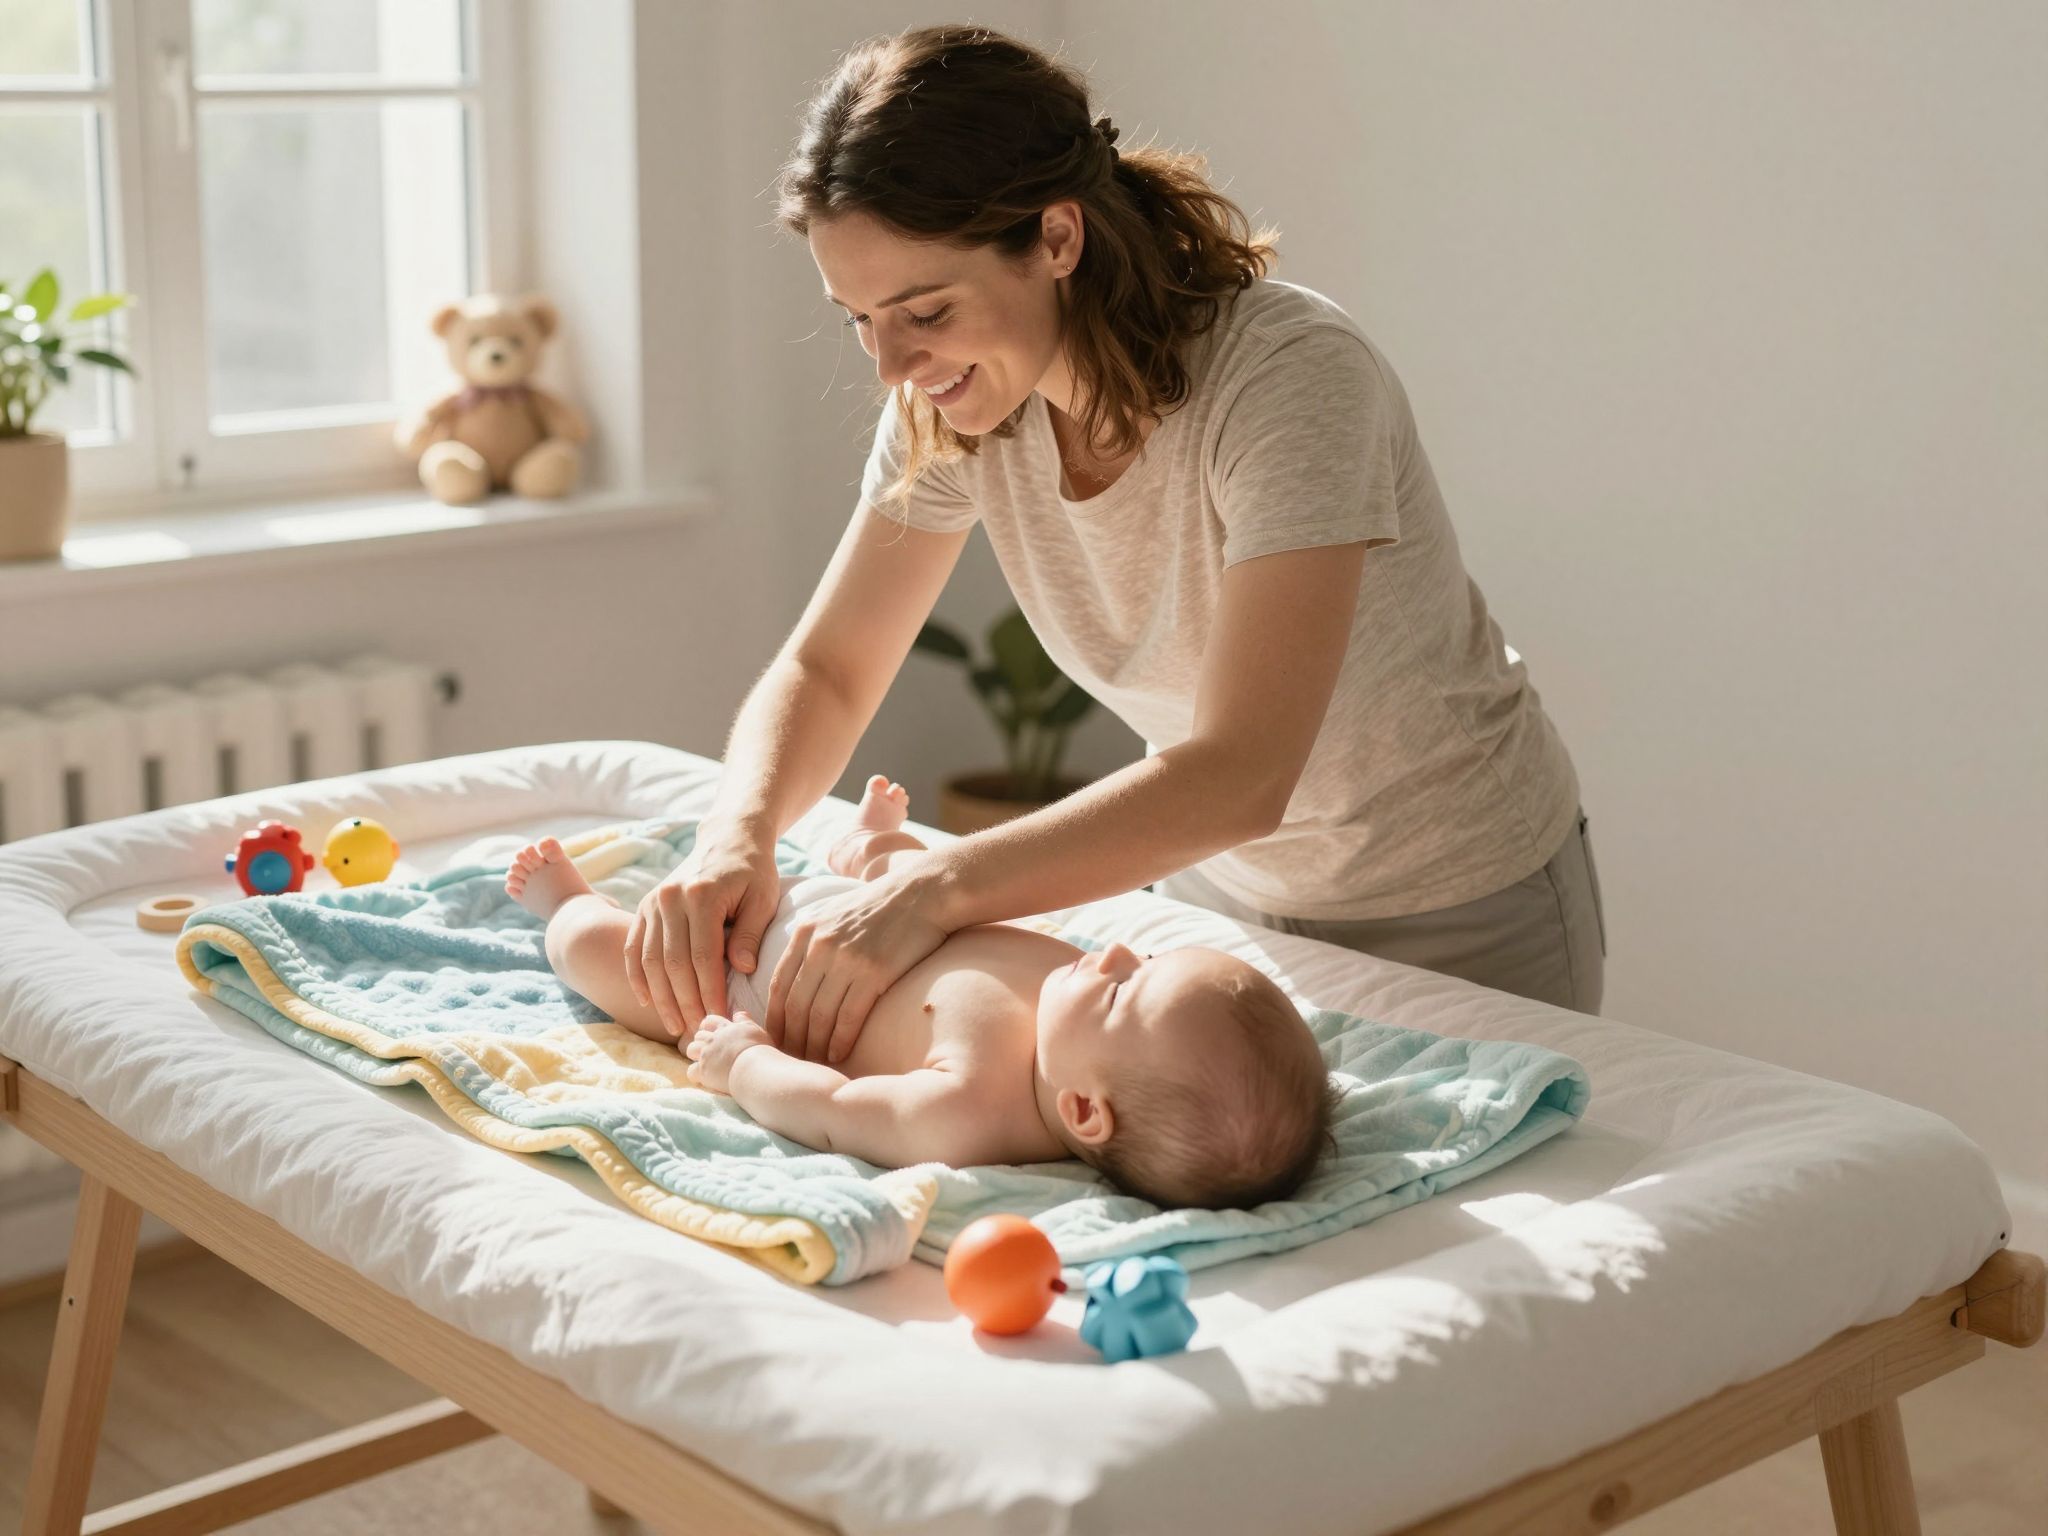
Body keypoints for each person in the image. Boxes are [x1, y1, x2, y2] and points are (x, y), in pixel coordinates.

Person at [624, 23, 1605, 1071]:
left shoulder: (1288, 380)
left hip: (1455, 902)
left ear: (1055, 237)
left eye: (922, 310)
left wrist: (936, 886)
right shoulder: (954, 404)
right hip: (1216, 889)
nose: (889, 364)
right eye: (856, 318)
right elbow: (829, 667)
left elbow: (1240, 772)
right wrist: (737, 833)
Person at [504, 777, 1335, 1210]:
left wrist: (747, 1062)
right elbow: (956, 912)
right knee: (913, 871)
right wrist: (895, 865)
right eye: (1147, 957)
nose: (1116, 952)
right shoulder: (1069, 1007)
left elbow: (836, 1106)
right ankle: (874, 849)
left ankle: (565, 903)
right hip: (877, 911)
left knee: (602, 954)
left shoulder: (969, 1112)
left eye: (1127, 992)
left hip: (743, 983)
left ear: (1086, 1111)